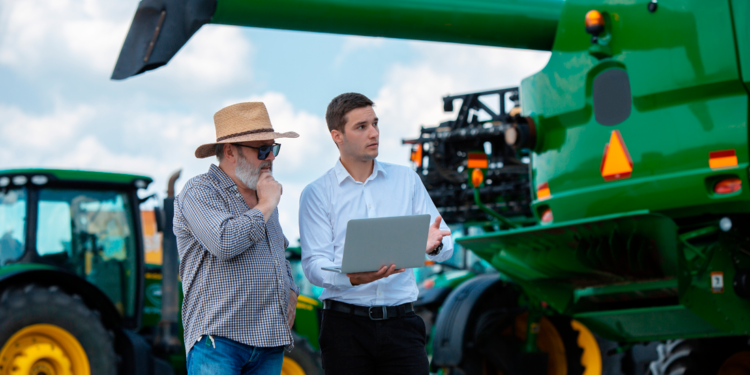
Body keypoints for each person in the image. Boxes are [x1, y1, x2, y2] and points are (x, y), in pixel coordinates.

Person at [299, 92, 453, 375]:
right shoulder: (317, 194)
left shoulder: (407, 180)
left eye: (375, 123)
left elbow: (444, 240)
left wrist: (431, 247)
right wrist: (353, 278)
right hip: (345, 330)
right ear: (337, 136)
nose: (374, 133)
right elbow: (313, 266)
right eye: (361, 127)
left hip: (402, 326)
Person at [174, 102, 300, 374]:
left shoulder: (262, 196)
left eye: (274, 148)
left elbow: (279, 251)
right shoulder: (199, 191)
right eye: (263, 150)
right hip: (218, 342)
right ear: (230, 152)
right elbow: (225, 242)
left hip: (268, 341)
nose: (271, 158)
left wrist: (291, 290)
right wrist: (266, 205)